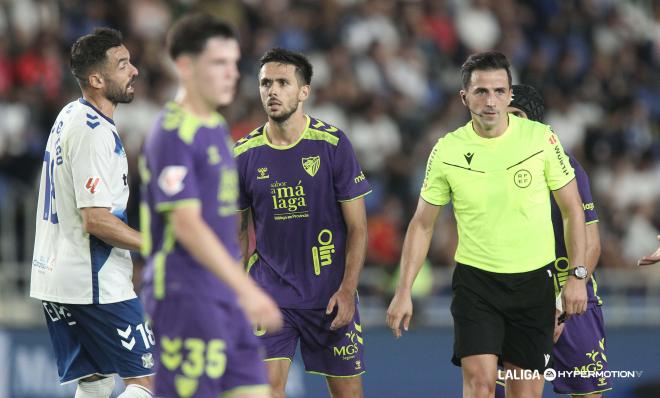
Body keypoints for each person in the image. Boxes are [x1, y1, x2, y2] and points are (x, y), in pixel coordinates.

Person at [386, 51, 588, 398]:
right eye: (481, 92)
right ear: (464, 97)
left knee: (524, 393)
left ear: (510, 95)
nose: (491, 101)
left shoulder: (542, 139)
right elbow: (422, 225)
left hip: (534, 284)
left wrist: (577, 277)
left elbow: (572, 210)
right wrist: (404, 290)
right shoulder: (447, 150)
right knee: (480, 385)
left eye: (499, 91)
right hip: (476, 284)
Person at [139, 14, 282, 398]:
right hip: (185, 294)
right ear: (185, 66)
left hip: (224, 295)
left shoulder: (217, 129)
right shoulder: (171, 132)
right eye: (219, 63)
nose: (232, 74)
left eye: (235, 63)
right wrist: (248, 289)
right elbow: (186, 225)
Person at [234, 48, 371, 398]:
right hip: (270, 292)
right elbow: (237, 233)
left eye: (283, 82)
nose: (272, 91)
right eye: (265, 83)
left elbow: (357, 227)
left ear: (304, 91)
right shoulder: (243, 155)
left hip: (328, 295)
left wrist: (347, 290)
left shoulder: (333, 144)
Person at [30, 28, 153, 397]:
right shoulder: (94, 132)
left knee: (96, 380)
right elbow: (96, 219)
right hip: (93, 281)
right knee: (146, 380)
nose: (134, 71)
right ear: (97, 79)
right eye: (123, 64)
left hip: (57, 278)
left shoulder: (70, 114)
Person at [493, 84, 612, 397]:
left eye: (517, 115)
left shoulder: (566, 167)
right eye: (506, 116)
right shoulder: (491, 169)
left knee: (588, 394)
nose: (510, 123)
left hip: (572, 296)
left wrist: (563, 301)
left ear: (534, 119)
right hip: (518, 301)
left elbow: (592, 244)